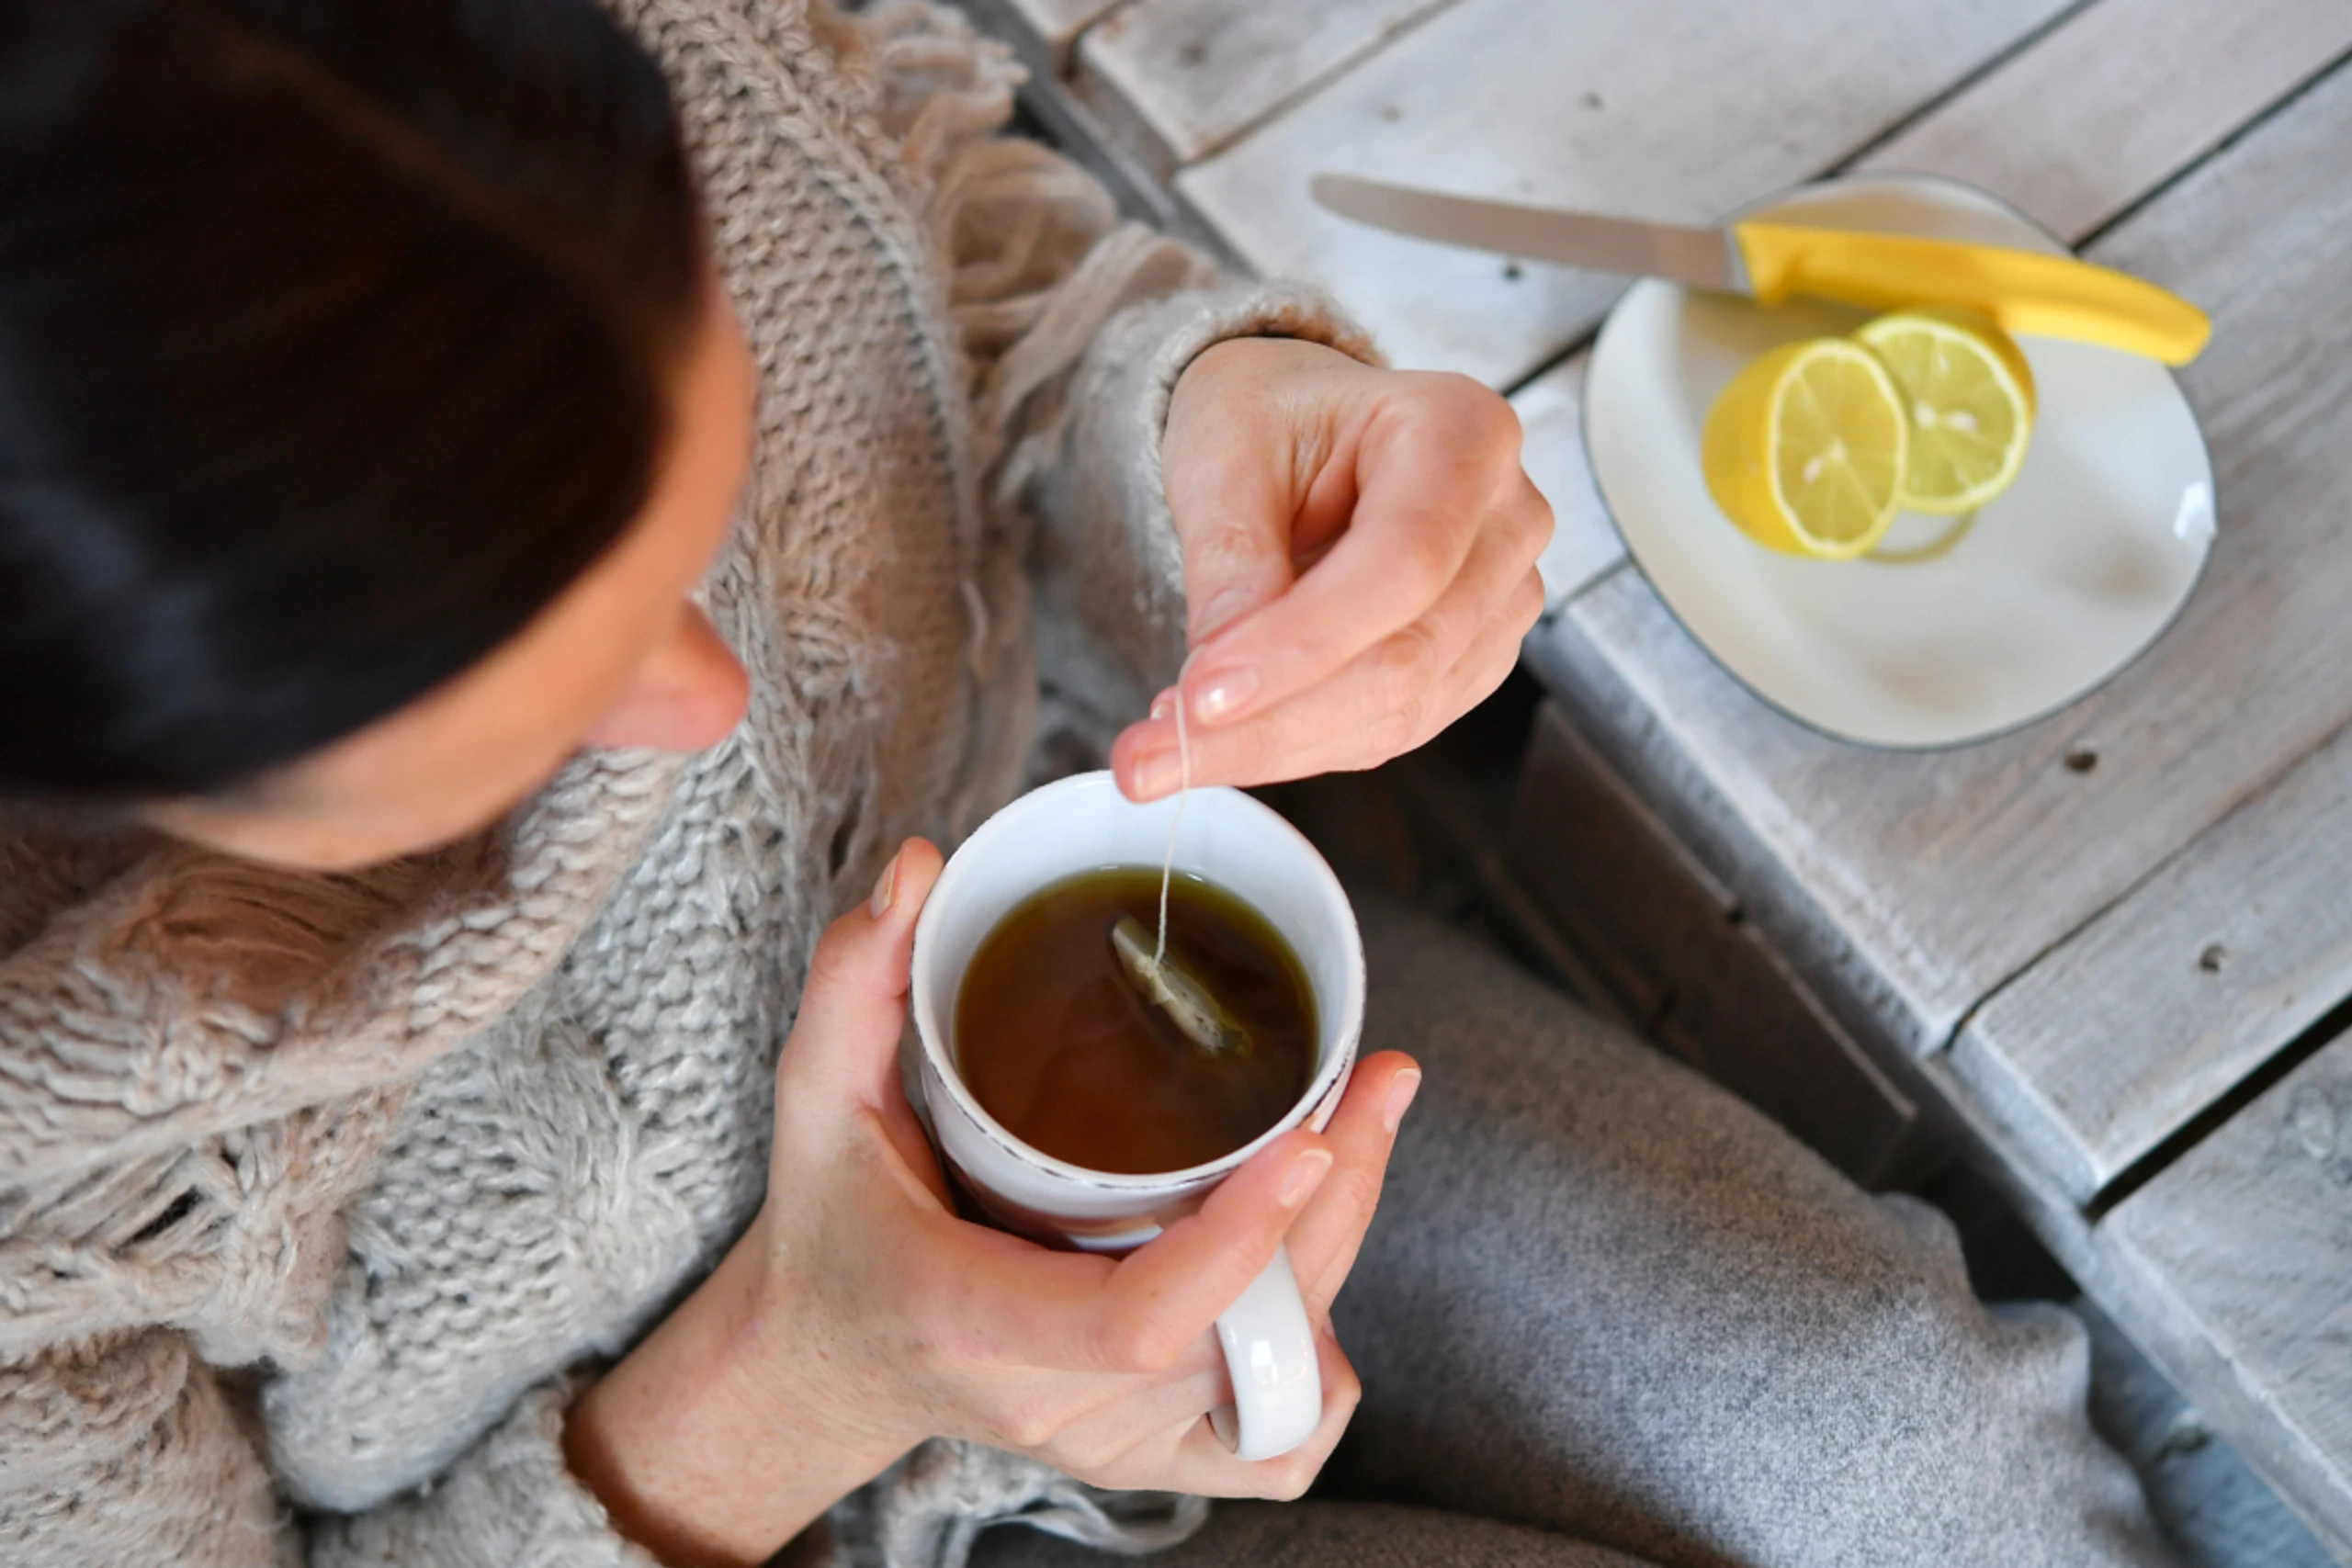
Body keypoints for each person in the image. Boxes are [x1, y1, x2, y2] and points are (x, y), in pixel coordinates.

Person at [0, 4, 2180, 1567]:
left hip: (1097, 931)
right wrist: (818, 1372)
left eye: (696, 512)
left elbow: (970, 275)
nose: (702, 708)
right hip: (709, 1495)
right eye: (525, 697)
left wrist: (1218, 425)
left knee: (1932, 1457)